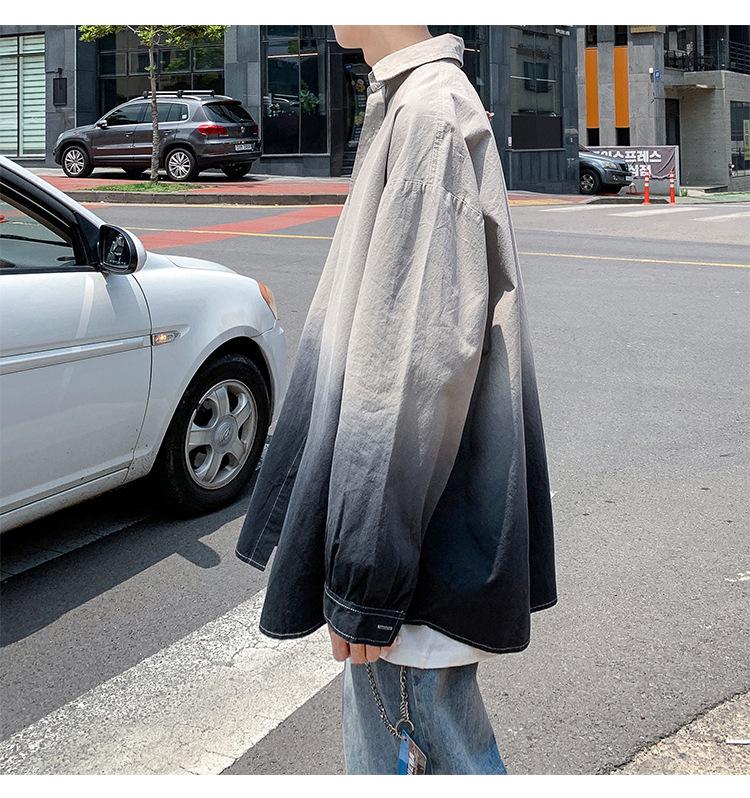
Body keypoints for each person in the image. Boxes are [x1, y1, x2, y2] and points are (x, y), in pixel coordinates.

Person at [236, 25, 557, 775]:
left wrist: (367, 581)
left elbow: (410, 370)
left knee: (427, 752)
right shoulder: (415, 100)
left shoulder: (426, 115)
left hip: (416, 545)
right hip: (421, 532)